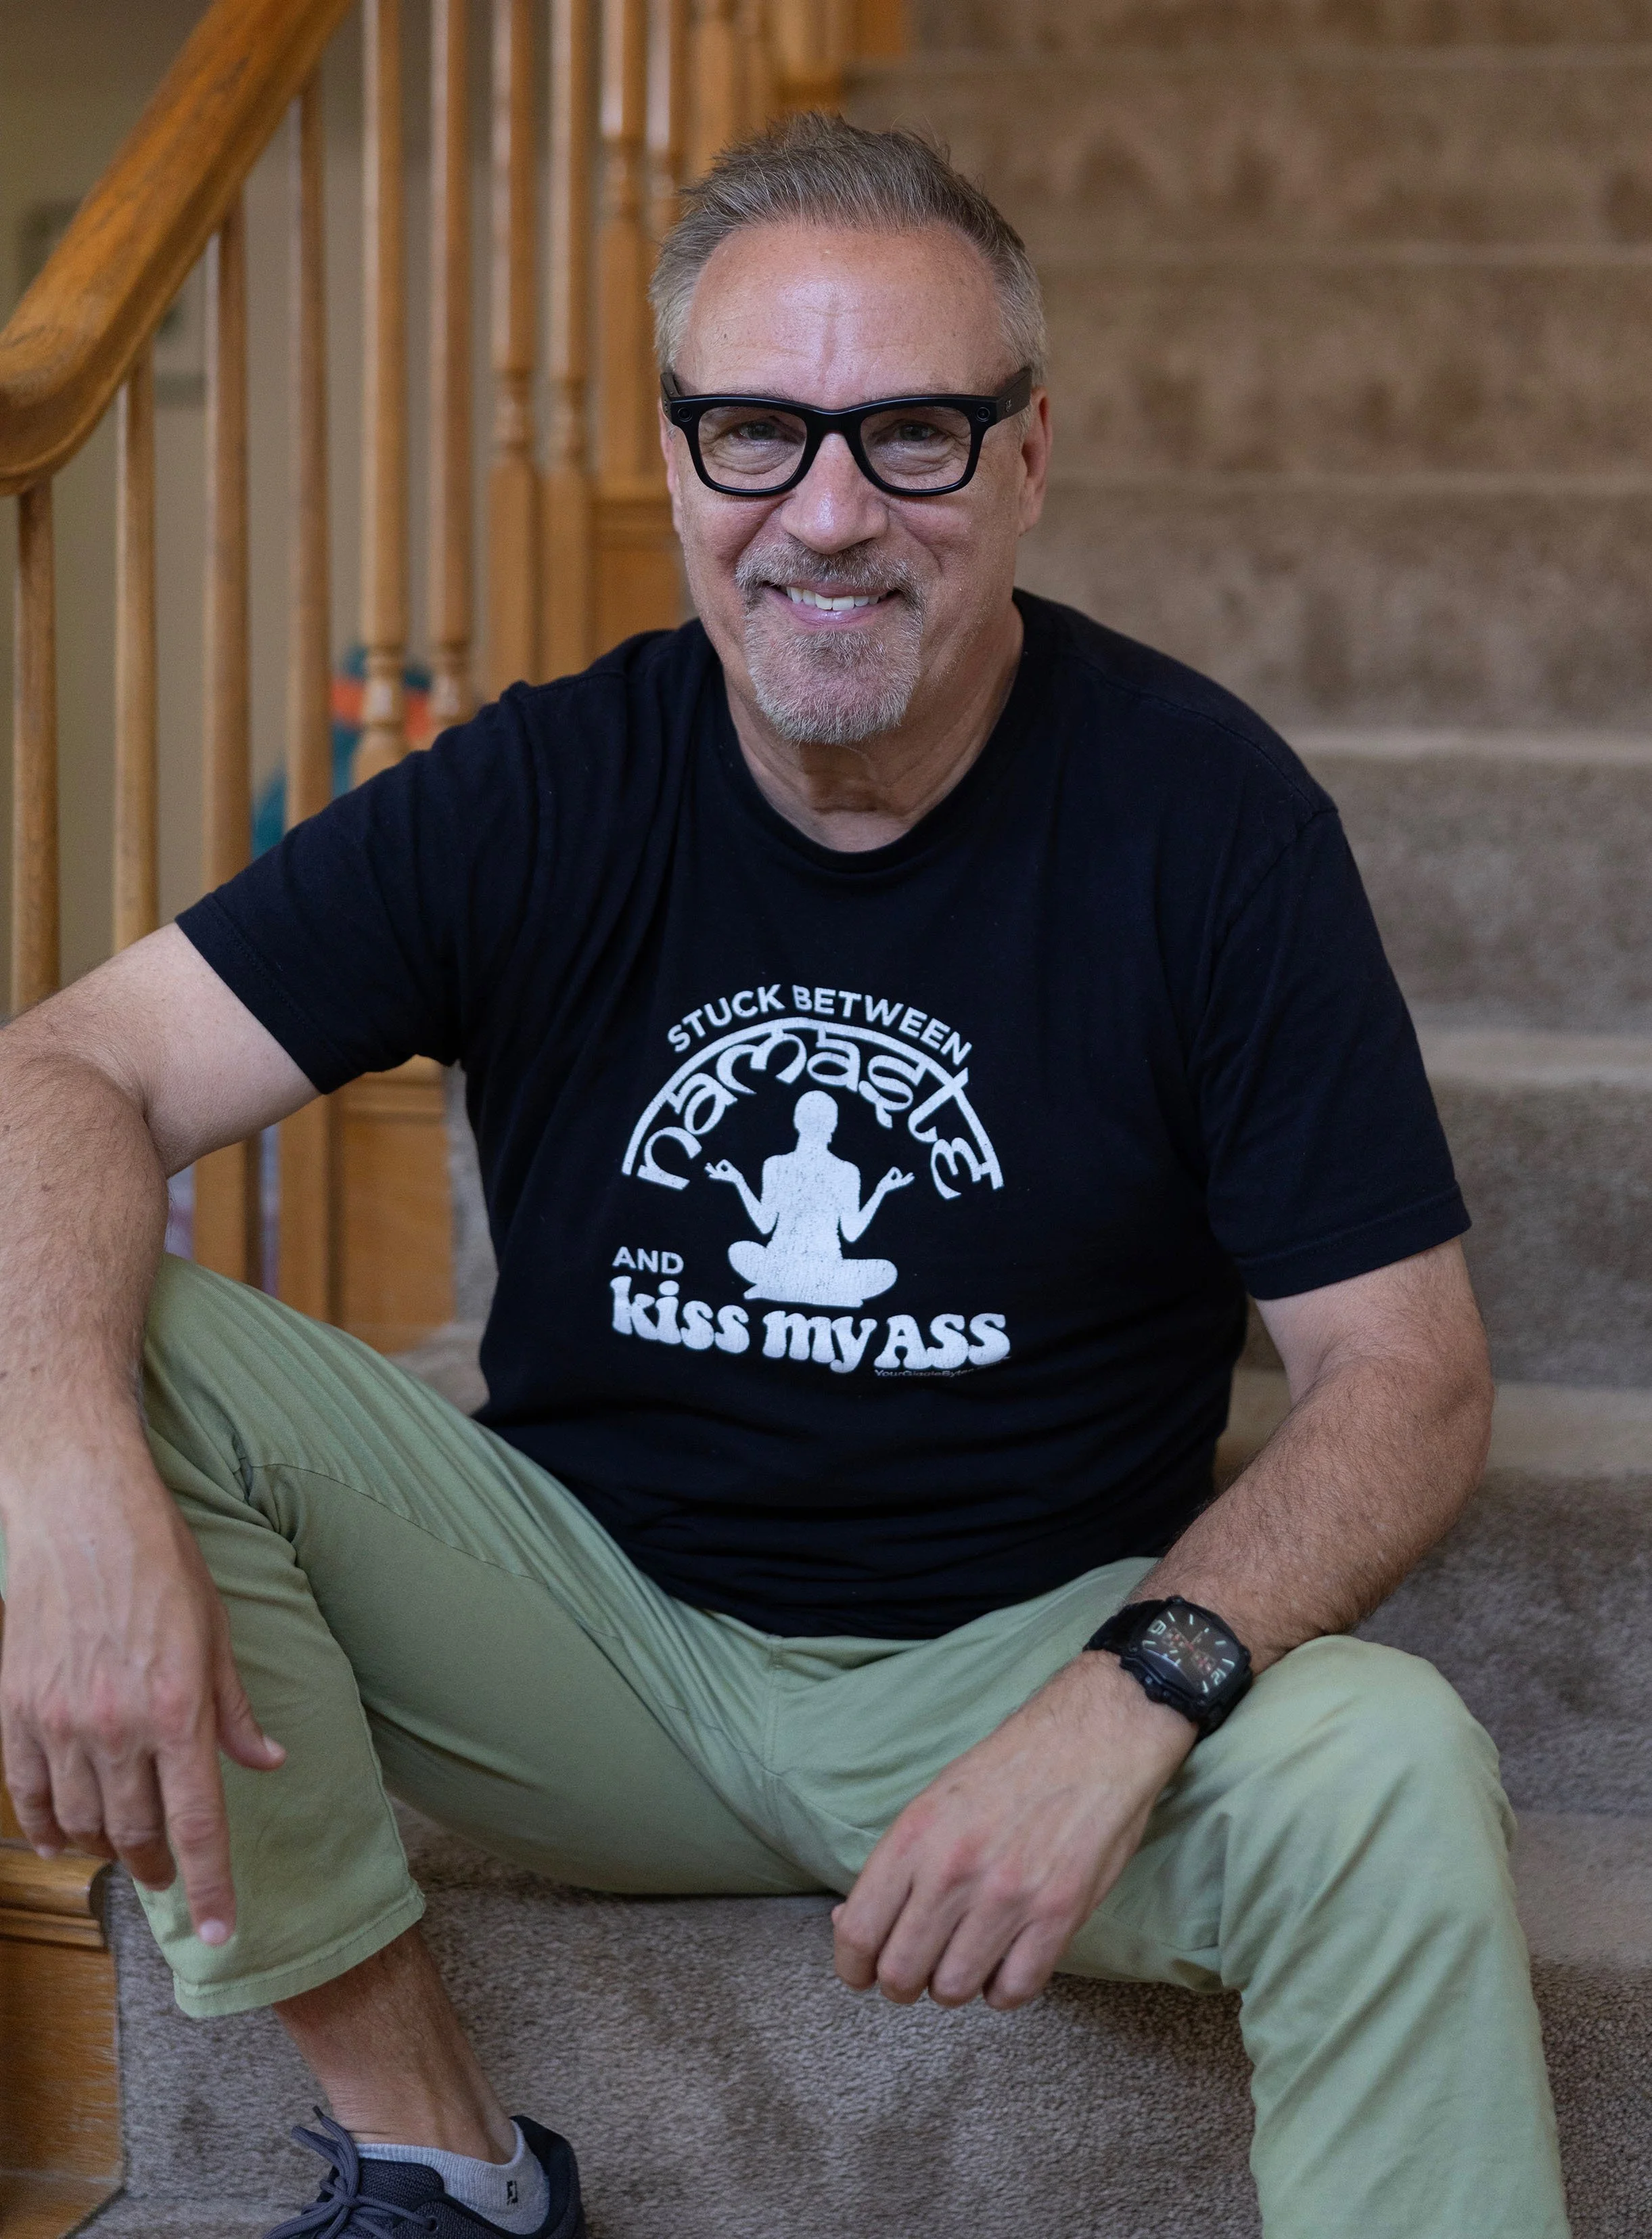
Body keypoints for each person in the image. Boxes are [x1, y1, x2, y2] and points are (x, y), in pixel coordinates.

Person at [0, 114, 1568, 2239]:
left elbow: (1408, 1372)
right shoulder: (546, 782)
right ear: (674, 462)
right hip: (592, 1638)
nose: (828, 513)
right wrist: (66, 1481)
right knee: (98, 1323)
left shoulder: (1209, 819)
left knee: (1393, 1768)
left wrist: (1138, 1685)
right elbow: (69, 1068)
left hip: (1025, 1645)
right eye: (757, 432)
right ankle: (440, 2167)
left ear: (1028, 459)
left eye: (911, 434)